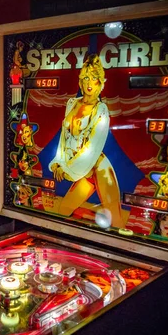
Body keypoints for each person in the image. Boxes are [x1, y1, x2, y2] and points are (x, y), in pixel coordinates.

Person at [48, 54, 124, 228]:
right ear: (81, 81)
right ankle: (89, 218)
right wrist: (59, 163)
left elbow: (93, 146)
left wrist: (67, 169)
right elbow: (64, 138)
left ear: (101, 83)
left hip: (98, 168)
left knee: (117, 224)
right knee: (63, 211)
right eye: (86, 78)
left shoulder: (101, 110)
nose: (89, 83)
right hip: (79, 167)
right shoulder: (71, 103)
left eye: (95, 79)